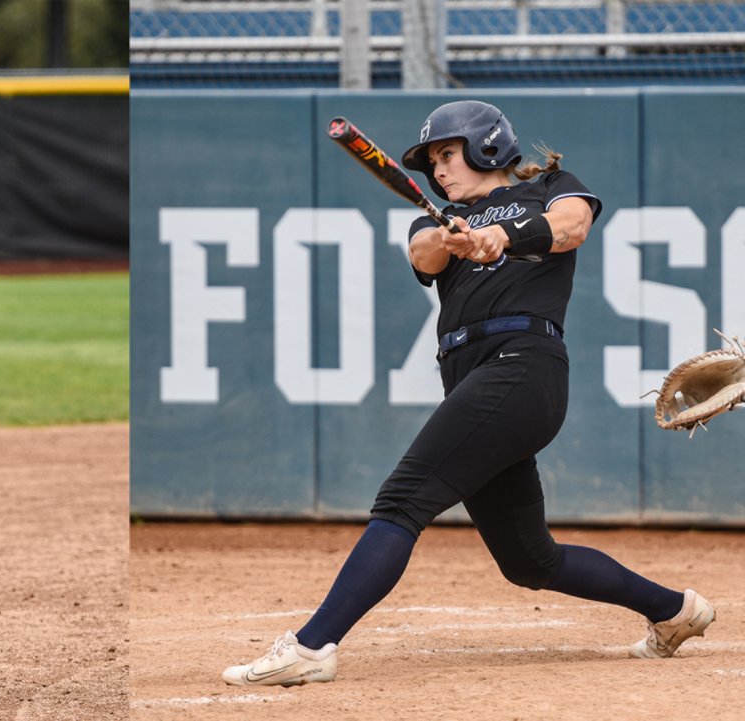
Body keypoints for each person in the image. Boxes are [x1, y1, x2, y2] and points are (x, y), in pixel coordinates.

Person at [222, 100, 714, 687]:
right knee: (531, 561)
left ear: (488, 146)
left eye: (448, 154)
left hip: (522, 368)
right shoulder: (440, 219)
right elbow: (423, 253)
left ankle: (311, 647)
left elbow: (571, 227)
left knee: (401, 500)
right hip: (473, 377)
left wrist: (500, 235)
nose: (440, 170)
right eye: (432, 161)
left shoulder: (553, 187)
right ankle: (675, 610)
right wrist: (458, 237)